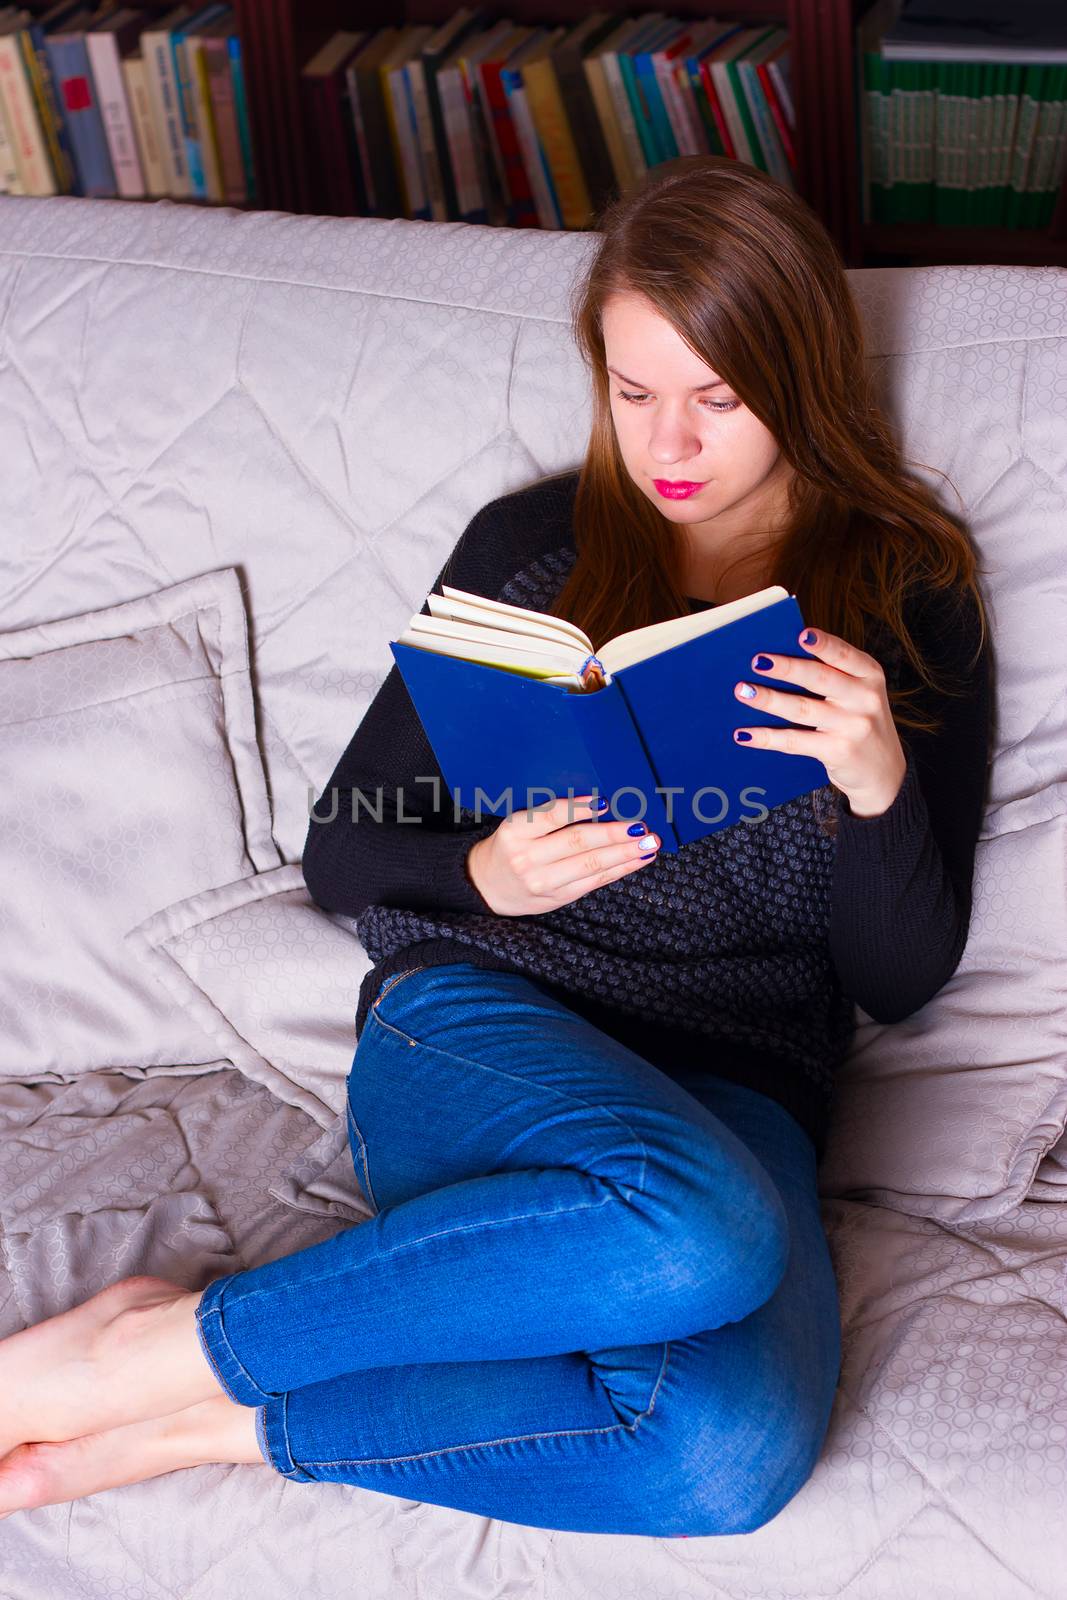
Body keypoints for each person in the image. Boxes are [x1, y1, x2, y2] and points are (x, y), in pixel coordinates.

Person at [0, 156, 991, 1537]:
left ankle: (212, 1411)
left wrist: (880, 783)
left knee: (722, 1458)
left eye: (719, 397)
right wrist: (484, 876)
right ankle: (129, 1360)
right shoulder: (534, 552)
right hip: (484, 1023)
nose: (672, 450)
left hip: (737, 1078)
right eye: (634, 394)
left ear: (803, 376)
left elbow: (900, 979)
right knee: (704, 1229)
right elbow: (345, 847)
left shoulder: (908, 594)